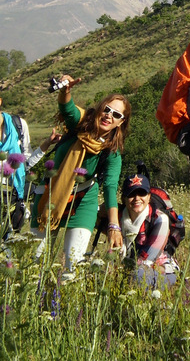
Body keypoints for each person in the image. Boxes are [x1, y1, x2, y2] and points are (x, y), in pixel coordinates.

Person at [30, 75, 131, 271]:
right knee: (36, 262)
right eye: (107, 110)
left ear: (121, 122)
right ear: (100, 108)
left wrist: (113, 226)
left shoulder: (112, 151)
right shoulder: (81, 122)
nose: (109, 116)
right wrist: (65, 90)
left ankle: (61, 300)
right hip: (50, 195)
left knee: (72, 265)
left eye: (116, 115)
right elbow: (67, 109)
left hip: (83, 200)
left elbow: (110, 187)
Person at [0, 97, 60, 235]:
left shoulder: (18, 125)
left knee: (7, 243)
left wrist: (46, 144)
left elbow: (25, 162)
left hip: (13, 196)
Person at [118, 171, 179, 288]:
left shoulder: (160, 219)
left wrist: (120, 270)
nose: (137, 198)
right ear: (124, 198)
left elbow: (147, 259)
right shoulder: (117, 219)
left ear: (149, 196)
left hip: (162, 270)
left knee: (139, 275)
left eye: (142, 193)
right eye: (131, 194)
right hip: (130, 269)